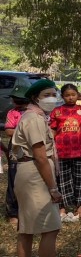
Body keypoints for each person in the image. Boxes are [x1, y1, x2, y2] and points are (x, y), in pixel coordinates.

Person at [10, 79, 64, 257]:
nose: (52, 98)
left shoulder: (34, 117)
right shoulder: (34, 119)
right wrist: (52, 188)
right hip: (35, 174)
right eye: (47, 95)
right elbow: (41, 157)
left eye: (53, 94)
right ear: (35, 98)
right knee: (50, 228)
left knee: (27, 228)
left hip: (28, 172)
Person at [49, 84, 81, 221]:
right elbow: (53, 130)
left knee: (80, 180)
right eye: (67, 95)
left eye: (73, 94)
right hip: (62, 152)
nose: (70, 97)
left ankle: (79, 208)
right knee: (62, 180)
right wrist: (50, 146)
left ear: (77, 95)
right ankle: (62, 208)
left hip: (80, 151)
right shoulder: (57, 111)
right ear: (62, 96)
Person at [4, 84, 29, 228]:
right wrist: (28, 132)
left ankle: (28, 211)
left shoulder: (34, 112)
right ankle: (13, 212)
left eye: (18, 99)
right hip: (16, 148)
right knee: (14, 179)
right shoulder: (12, 113)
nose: (15, 102)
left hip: (32, 149)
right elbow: (8, 131)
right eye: (14, 99)